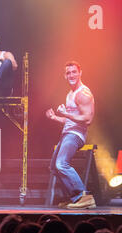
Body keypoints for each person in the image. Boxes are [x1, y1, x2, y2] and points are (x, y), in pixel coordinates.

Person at [45, 61, 96, 209]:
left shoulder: (83, 94)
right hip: (68, 132)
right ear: (65, 76)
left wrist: (66, 113)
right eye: (68, 73)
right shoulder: (70, 94)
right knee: (54, 166)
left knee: (61, 164)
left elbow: (88, 119)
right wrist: (56, 117)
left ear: (80, 73)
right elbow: (69, 119)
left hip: (75, 135)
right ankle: (74, 198)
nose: (71, 75)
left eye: (74, 72)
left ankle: (83, 196)